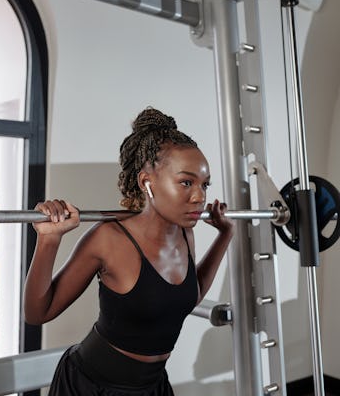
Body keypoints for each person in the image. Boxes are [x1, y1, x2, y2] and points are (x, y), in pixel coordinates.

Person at [24, 107, 234, 396]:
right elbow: (38, 312)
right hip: (91, 386)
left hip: (152, 387)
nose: (199, 196)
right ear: (147, 182)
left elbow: (185, 296)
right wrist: (49, 241)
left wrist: (225, 234)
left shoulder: (185, 232)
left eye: (204, 184)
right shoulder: (108, 239)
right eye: (186, 182)